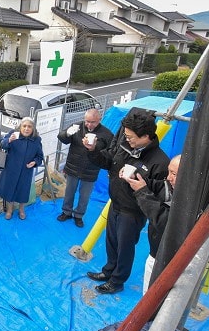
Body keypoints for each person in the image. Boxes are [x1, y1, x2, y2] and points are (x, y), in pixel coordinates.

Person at [84, 110, 170, 294]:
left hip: (133, 212)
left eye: (131, 137)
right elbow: (108, 161)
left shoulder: (159, 162)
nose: (127, 139)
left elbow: (159, 195)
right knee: (111, 242)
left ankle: (117, 281)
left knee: (125, 247)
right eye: (126, 135)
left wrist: (141, 185)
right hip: (116, 203)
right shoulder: (124, 145)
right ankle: (108, 271)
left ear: (146, 136)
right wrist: (92, 151)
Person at [123, 154, 181, 294]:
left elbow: (163, 222)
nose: (168, 177)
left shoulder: (188, 202)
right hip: (155, 252)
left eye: (173, 174)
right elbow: (155, 184)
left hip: (170, 260)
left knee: (156, 297)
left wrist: (142, 191)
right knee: (148, 293)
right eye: (168, 172)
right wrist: (135, 176)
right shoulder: (170, 185)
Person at [57, 109, 113, 227]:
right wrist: (67, 133)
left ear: (99, 120)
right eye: (87, 121)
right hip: (73, 166)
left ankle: (79, 215)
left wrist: (95, 148)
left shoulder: (106, 134)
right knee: (69, 192)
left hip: (91, 170)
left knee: (85, 196)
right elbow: (62, 138)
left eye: (93, 122)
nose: (89, 124)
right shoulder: (77, 126)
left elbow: (111, 153)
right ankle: (66, 212)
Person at [0, 117, 44, 220]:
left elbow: (40, 156)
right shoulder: (14, 134)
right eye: (24, 126)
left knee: (23, 191)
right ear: (20, 127)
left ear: (33, 129)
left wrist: (34, 162)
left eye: (29, 127)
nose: (26, 129)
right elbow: (1, 144)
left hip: (26, 171)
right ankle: (9, 210)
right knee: (10, 190)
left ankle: (21, 209)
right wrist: (8, 140)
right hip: (11, 169)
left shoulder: (36, 139)